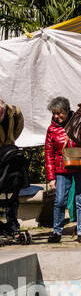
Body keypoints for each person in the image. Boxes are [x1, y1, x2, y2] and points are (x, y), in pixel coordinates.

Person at [43, 97, 81, 244]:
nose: (57, 116)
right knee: (59, 201)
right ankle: (57, 232)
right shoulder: (52, 130)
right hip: (61, 169)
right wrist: (51, 178)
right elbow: (48, 154)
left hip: (80, 165)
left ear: (67, 110)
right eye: (54, 113)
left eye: (60, 113)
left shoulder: (79, 123)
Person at [0, 97, 23, 237]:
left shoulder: (15, 112)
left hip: (9, 153)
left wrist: (10, 142)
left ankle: (13, 223)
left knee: (12, 189)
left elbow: (18, 128)